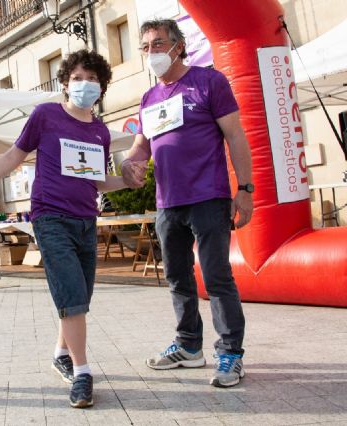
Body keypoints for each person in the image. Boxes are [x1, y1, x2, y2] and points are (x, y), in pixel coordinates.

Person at [0, 50, 124, 408]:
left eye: (93, 79)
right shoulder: (46, 115)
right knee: (73, 296)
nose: (85, 84)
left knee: (78, 297)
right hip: (50, 218)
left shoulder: (99, 131)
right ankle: (81, 373)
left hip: (85, 220)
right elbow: (13, 157)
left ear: (102, 87)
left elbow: (96, 182)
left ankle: (61, 353)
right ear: (65, 82)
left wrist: (124, 180)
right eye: (78, 77)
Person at [121, 19, 253, 388]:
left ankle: (230, 354)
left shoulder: (210, 82)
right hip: (168, 204)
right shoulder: (149, 98)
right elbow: (142, 146)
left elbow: (236, 136)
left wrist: (244, 189)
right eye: (145, 46)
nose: (152, 52)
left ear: (178, 46)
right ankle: (188, 347)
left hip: (207, 198)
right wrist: (130, 162)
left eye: (159, 44)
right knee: (178, 278)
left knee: (215, 277)